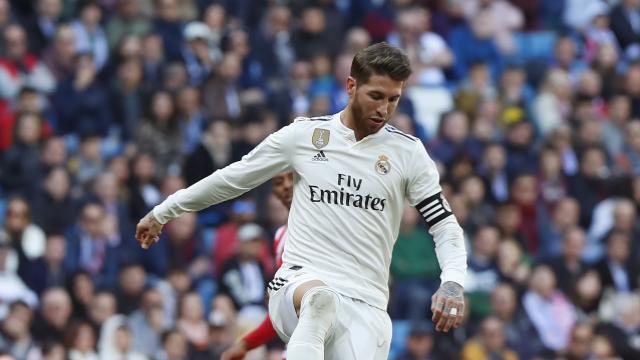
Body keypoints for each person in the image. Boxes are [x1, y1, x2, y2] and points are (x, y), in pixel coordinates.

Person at [136, 42, 467, 359]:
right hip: (299, 280)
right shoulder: (304, 137)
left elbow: (443, 224)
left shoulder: (408, 153)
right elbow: (233, 178)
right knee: (319, 300)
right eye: (376, 96)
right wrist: (165, 210)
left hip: (366, 301)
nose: (384, 110)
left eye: (393, 99)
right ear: (351, 86)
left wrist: (452, 280)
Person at [220, 171, 293, 359]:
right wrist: (246, 344)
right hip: (299, 342)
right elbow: (281, 307)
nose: (285, 186)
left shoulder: (325, 227)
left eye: (292, 179)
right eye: (278, 181)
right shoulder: (279, 237)